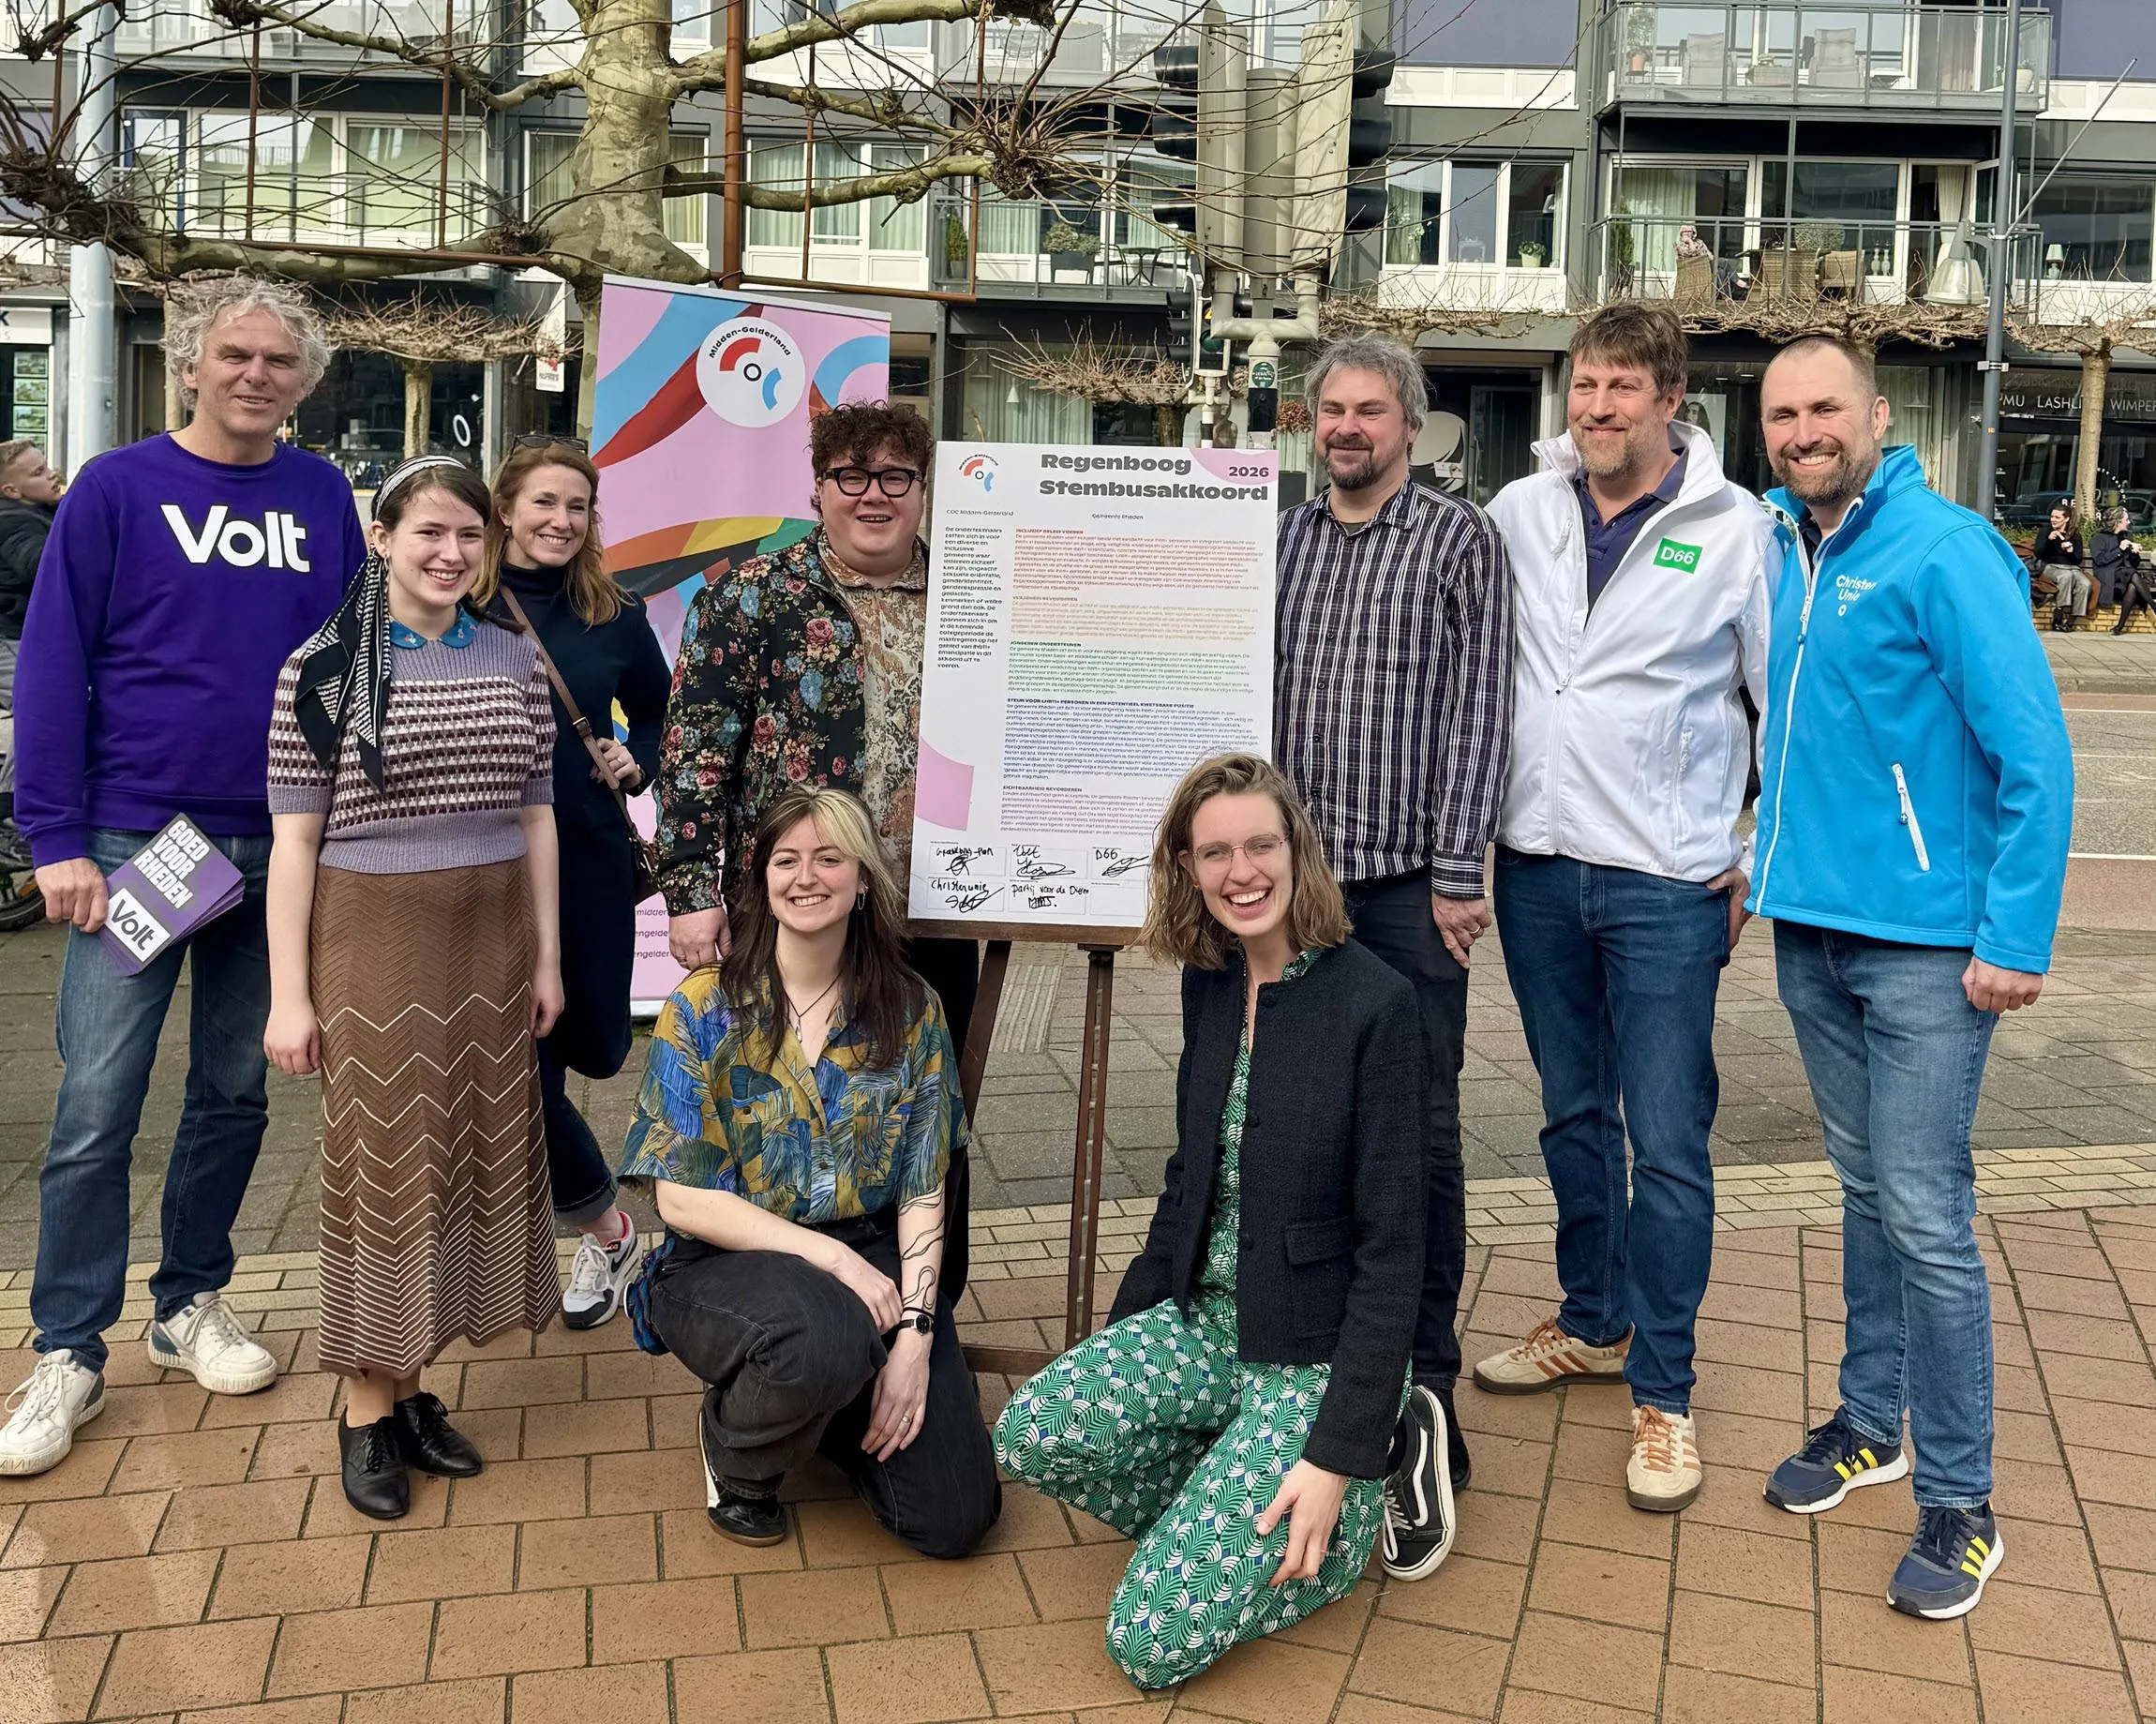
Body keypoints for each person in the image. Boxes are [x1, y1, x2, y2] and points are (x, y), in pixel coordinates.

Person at [0, 277, 366, 1477]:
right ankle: (68, 1347)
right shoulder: (115, 490)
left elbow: (349, 668)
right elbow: (53, 662)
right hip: (139, 847)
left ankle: (188, 1302)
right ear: (192, 367)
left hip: (284, 842)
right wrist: (52, 838)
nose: (256, 375)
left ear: (303, 381)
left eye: (279, 361)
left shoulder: (321, 497)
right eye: (235, 356)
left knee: (233, 1092)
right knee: (98, 1102)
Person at [1749, 335, 2073, 1620]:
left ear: (1877, 415)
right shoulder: (1787, 543)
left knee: (1928, 1212)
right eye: (1782, 411)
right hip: (1810, 931)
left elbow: (2034, 750)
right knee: (1867, 1190)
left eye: (1826, 406)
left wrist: (2014, 936)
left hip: (1929, 946)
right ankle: (1868, 1422)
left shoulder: (1944, 552)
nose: (1804, 428)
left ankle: (1962, 1496)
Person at [994, 753, 1426, 1689]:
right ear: (1185, 867)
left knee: (1147, 1645)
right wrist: (1125, 1337)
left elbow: (1396, 1258)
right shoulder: (1214, 981)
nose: (1242, 872)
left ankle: (1336, 1529)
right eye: (1215, 852)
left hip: (1310, 1356)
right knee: (1032, 1430)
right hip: (1205, 1324)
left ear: (1296, 849)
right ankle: (1226, 1504)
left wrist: (1336, 1448)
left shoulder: (1377, 1007)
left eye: (1260, 844)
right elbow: (1191, 1177)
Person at [1479, 303, 1774, 1513]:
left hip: (1665, 877)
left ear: (1669, 401)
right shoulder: (1518, 510)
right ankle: (1594, 1320)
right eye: (1582, 386)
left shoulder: (1736, 527)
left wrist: (1759, 843)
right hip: (1537, 865)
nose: (1595, 408)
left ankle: (1665, 1389)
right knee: (1566, 1116)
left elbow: (1782, 697)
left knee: (1668, 1140)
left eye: (1619, 388)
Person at [263, 455, 563, 1520]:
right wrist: (288, 996)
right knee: (383, 1164)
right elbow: (293, 844)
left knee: (464, 1157)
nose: (450, 553)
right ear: (381, 537)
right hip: (371, 944)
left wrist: (547, 959)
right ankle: (361, 1410)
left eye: (469, 537)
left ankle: (414, 1386)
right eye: (428, 532)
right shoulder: (324, 666)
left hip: (490, 941)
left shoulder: (510, 655)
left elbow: (536, 814)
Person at [1273, 333, 1515, 1579]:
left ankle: (1422, 1385)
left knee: (1416, 1140)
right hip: (1292, 897)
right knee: (1299, 1129)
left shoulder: (1458, 542)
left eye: (1372, 410)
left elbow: (1483, 711)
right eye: (1333, 410)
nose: (1350, 427)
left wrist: (1463, 873)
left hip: (1414, 893)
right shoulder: (1286, 543)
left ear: (1413, 428)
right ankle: (1320, 1369)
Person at [617, 786, 996, 1558]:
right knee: (822, 1332)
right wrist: (834, 1259)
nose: (807, 876)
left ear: (863, 880)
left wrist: (916, 1341)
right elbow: (680, 1197)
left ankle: (827, 1401)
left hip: (874, 1258)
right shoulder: (701, 1007)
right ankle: (740, 1453)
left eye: (830, 858)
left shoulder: (913, 1010)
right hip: (729, 1261)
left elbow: (927, 1184)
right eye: (787, 859)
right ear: (761, 879)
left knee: (954, 1516)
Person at [654, 398, 977, 1292]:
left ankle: (924, 1308)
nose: (874, 496)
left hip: (943, 904)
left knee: (929, 1115)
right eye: (852, 477)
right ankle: (791, 1319)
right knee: (785, 1108)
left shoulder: (973, 586)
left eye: (895, 477)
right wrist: (691, 893)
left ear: (923, 488)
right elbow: (692, 751)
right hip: (796, 907)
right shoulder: (752, 594)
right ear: (820, 487)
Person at [474, 440, 669, 1328]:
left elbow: (667, 719)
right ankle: (608, 1226)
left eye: (578, 506)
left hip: (588, 866)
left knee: (590, 1044)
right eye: (544, 502)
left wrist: (638, 763)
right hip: (481, 866)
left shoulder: (614, 614)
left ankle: (596, 1223)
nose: (560, 520)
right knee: (520, 1070)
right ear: (505, 509)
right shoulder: (456, 607)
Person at [0, 440, 63, 862]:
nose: (52, 474)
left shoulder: (37, 513)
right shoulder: (13, 522)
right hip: (9, 640)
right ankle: (10, 816)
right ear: (13, 491)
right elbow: (40, 561)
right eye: (38, 474)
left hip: (23, 636)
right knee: (40, 713)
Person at [2036, 502, 2089, 631]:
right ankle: (2058, 616)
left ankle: (2071, 620)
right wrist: (2048, 540)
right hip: (2051, 567)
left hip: (2072, 568)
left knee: (2085, 583)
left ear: (2066, 519)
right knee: (2066, 576)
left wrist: (2070, 552)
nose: (2053, 520)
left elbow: (2077, 559)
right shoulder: (2046, 531)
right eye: (2052, 517)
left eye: (2057, 517)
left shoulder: (2075, 535)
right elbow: (2038, 553)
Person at [2095, 506, 2147, 627]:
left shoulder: (2126, 537)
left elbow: (2133, 565)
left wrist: (2134, 554)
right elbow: (2100, 561)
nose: (2129, 522)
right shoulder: (2099, 538)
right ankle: (2153, 606)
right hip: (2110, 581)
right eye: (2126, 520)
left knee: (2133, 585)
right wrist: (2119, 549)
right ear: (2117, 521)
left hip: (2125, 579)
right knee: (2132, 575)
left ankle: (2120, 626)